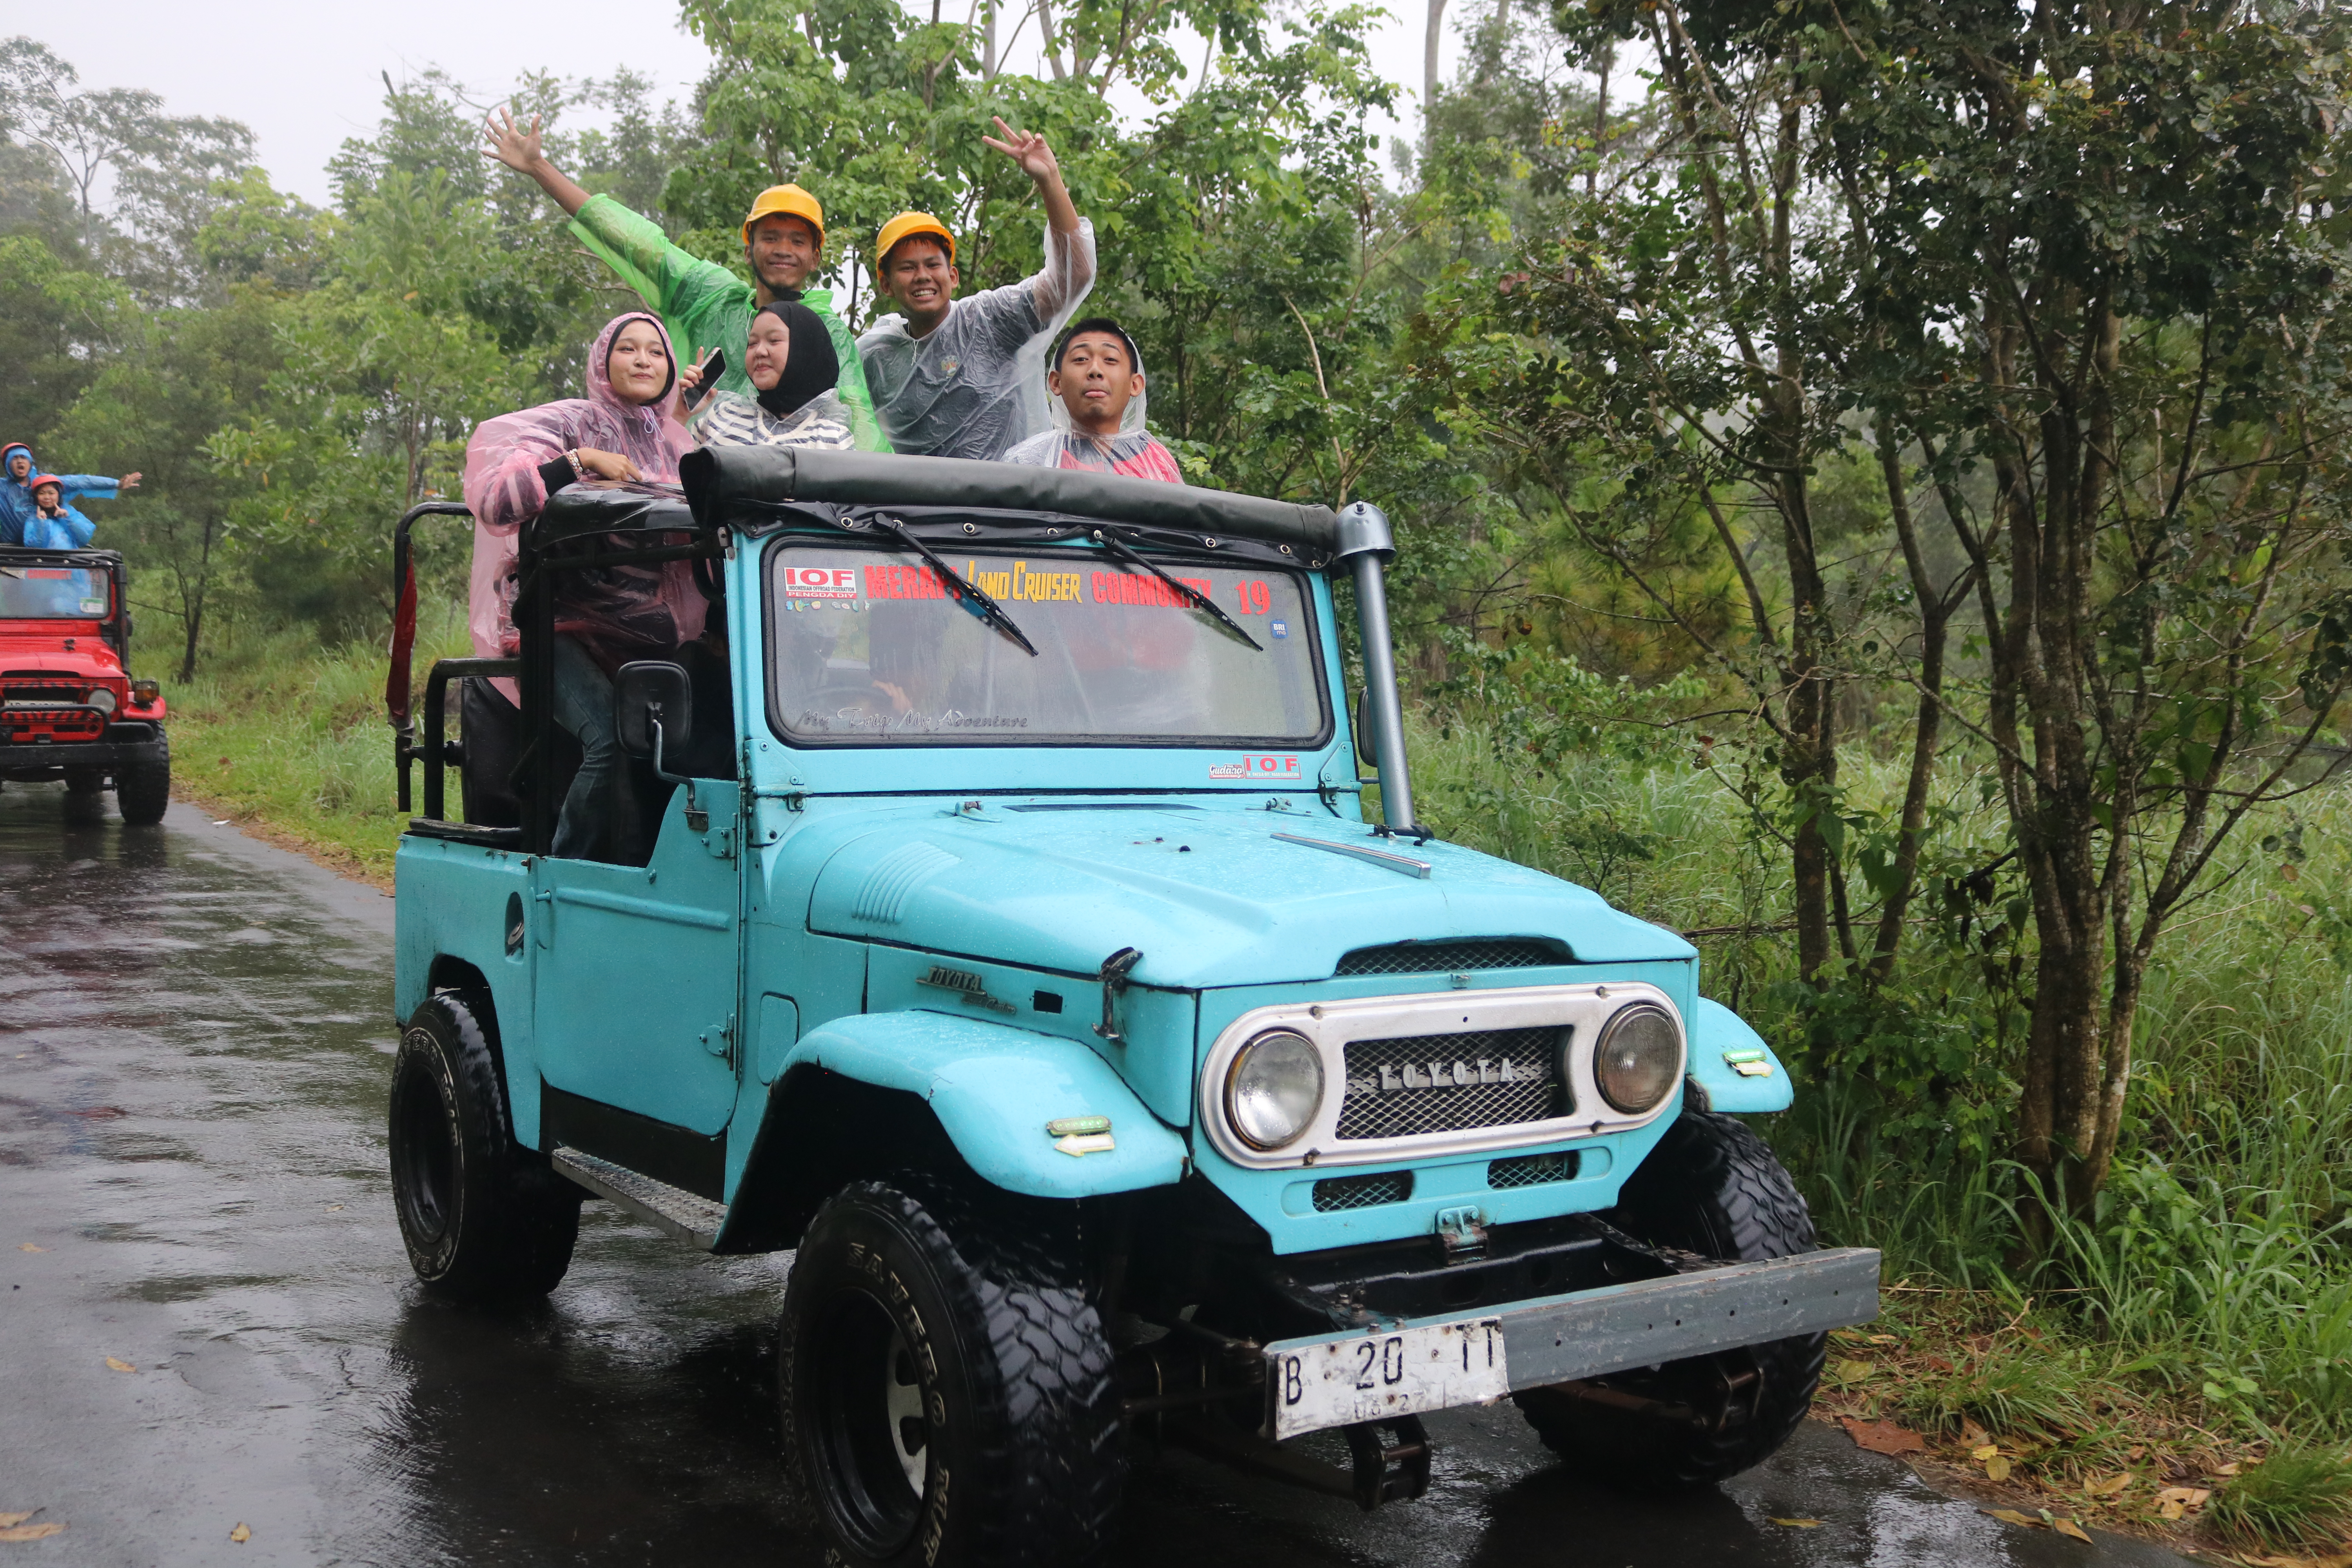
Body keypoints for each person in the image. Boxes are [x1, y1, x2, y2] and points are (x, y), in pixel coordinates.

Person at [480, 108, 887, 453]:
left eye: (798, 241)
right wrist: (540, 168)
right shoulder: (710, 297)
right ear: (749, 249)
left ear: (815, 257)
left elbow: (861, 424)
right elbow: (635, 241)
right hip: (689, 493)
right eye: (770, 237)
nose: (783, 249)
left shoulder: (827, 333)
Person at [462, 312, 701, 860]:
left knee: (697, 743)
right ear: (602, 361)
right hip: (556, 626)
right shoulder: (568, 424)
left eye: (656, 352)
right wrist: (577, 463)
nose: (643, 360)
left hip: (646, 638)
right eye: (628, 349)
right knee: (612, 742)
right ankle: (560, 883)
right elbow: (497, 497)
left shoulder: (678, 445)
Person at [857, 118, 1096, 461]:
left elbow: (1073, 277)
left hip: (1003, 506)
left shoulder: (989, 319)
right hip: (916, 509)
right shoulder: (875, 355)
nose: (922, 276)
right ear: (886, 285)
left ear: (953, 276)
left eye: (932, 265)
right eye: (907, 268)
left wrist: (1050, 180)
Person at [1003, 317, 1183, 483]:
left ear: (1135, 385)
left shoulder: (1157, 465)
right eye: (1081, 359)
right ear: (1056, 383)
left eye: (1110, 360)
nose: (1095, 369)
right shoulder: (1027, 462)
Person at [688, 300, 856, 452]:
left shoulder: (833, 440)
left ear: (805, 350)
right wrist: (683, 413)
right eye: (752, 343)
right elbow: (670, 467)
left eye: (774, 340)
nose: (760, 351)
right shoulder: (722, 418)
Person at [1, 444, 139, 548]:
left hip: (48, 551)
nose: (20, 462)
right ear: (8, 464)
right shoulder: (3, 489)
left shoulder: (46, 483)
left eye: (24, 458)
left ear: (30, 463)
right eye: (15, 458)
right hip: (11, 552)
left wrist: (115, 484)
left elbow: (82, 481)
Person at [21, 476, 96, 549]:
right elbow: (34, 547)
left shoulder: (70, 512)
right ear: (36, 497)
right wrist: (41, 523)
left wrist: (68, 519)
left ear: (59, 495)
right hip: (44, 560)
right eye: (42, 493)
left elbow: (84, 539)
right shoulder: (33, 519)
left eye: (51, 493)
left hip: (70, 559)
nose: (47, 497)